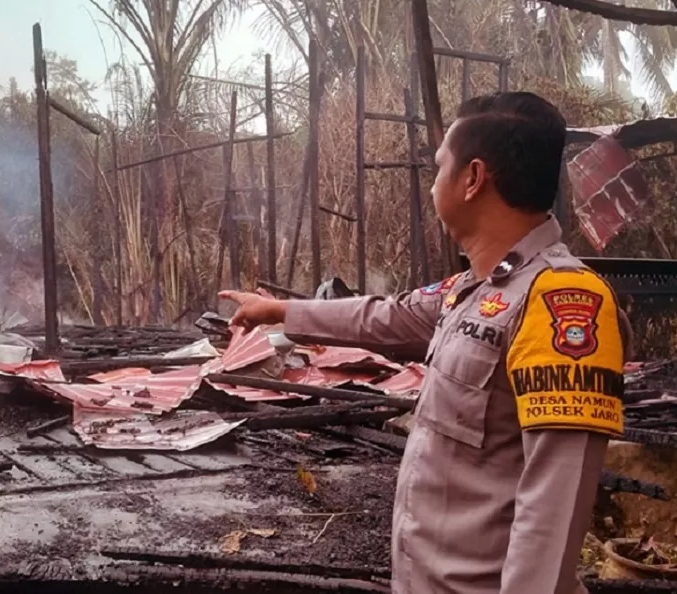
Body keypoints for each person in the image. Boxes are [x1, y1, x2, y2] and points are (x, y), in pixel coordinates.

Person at [220, 92, 631, 594]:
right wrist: (281, 311)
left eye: (439, 167)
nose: (433, 182)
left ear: (473, 178)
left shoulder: (560, 300)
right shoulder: (476, 289)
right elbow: (387, 315)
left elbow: (555, 507)